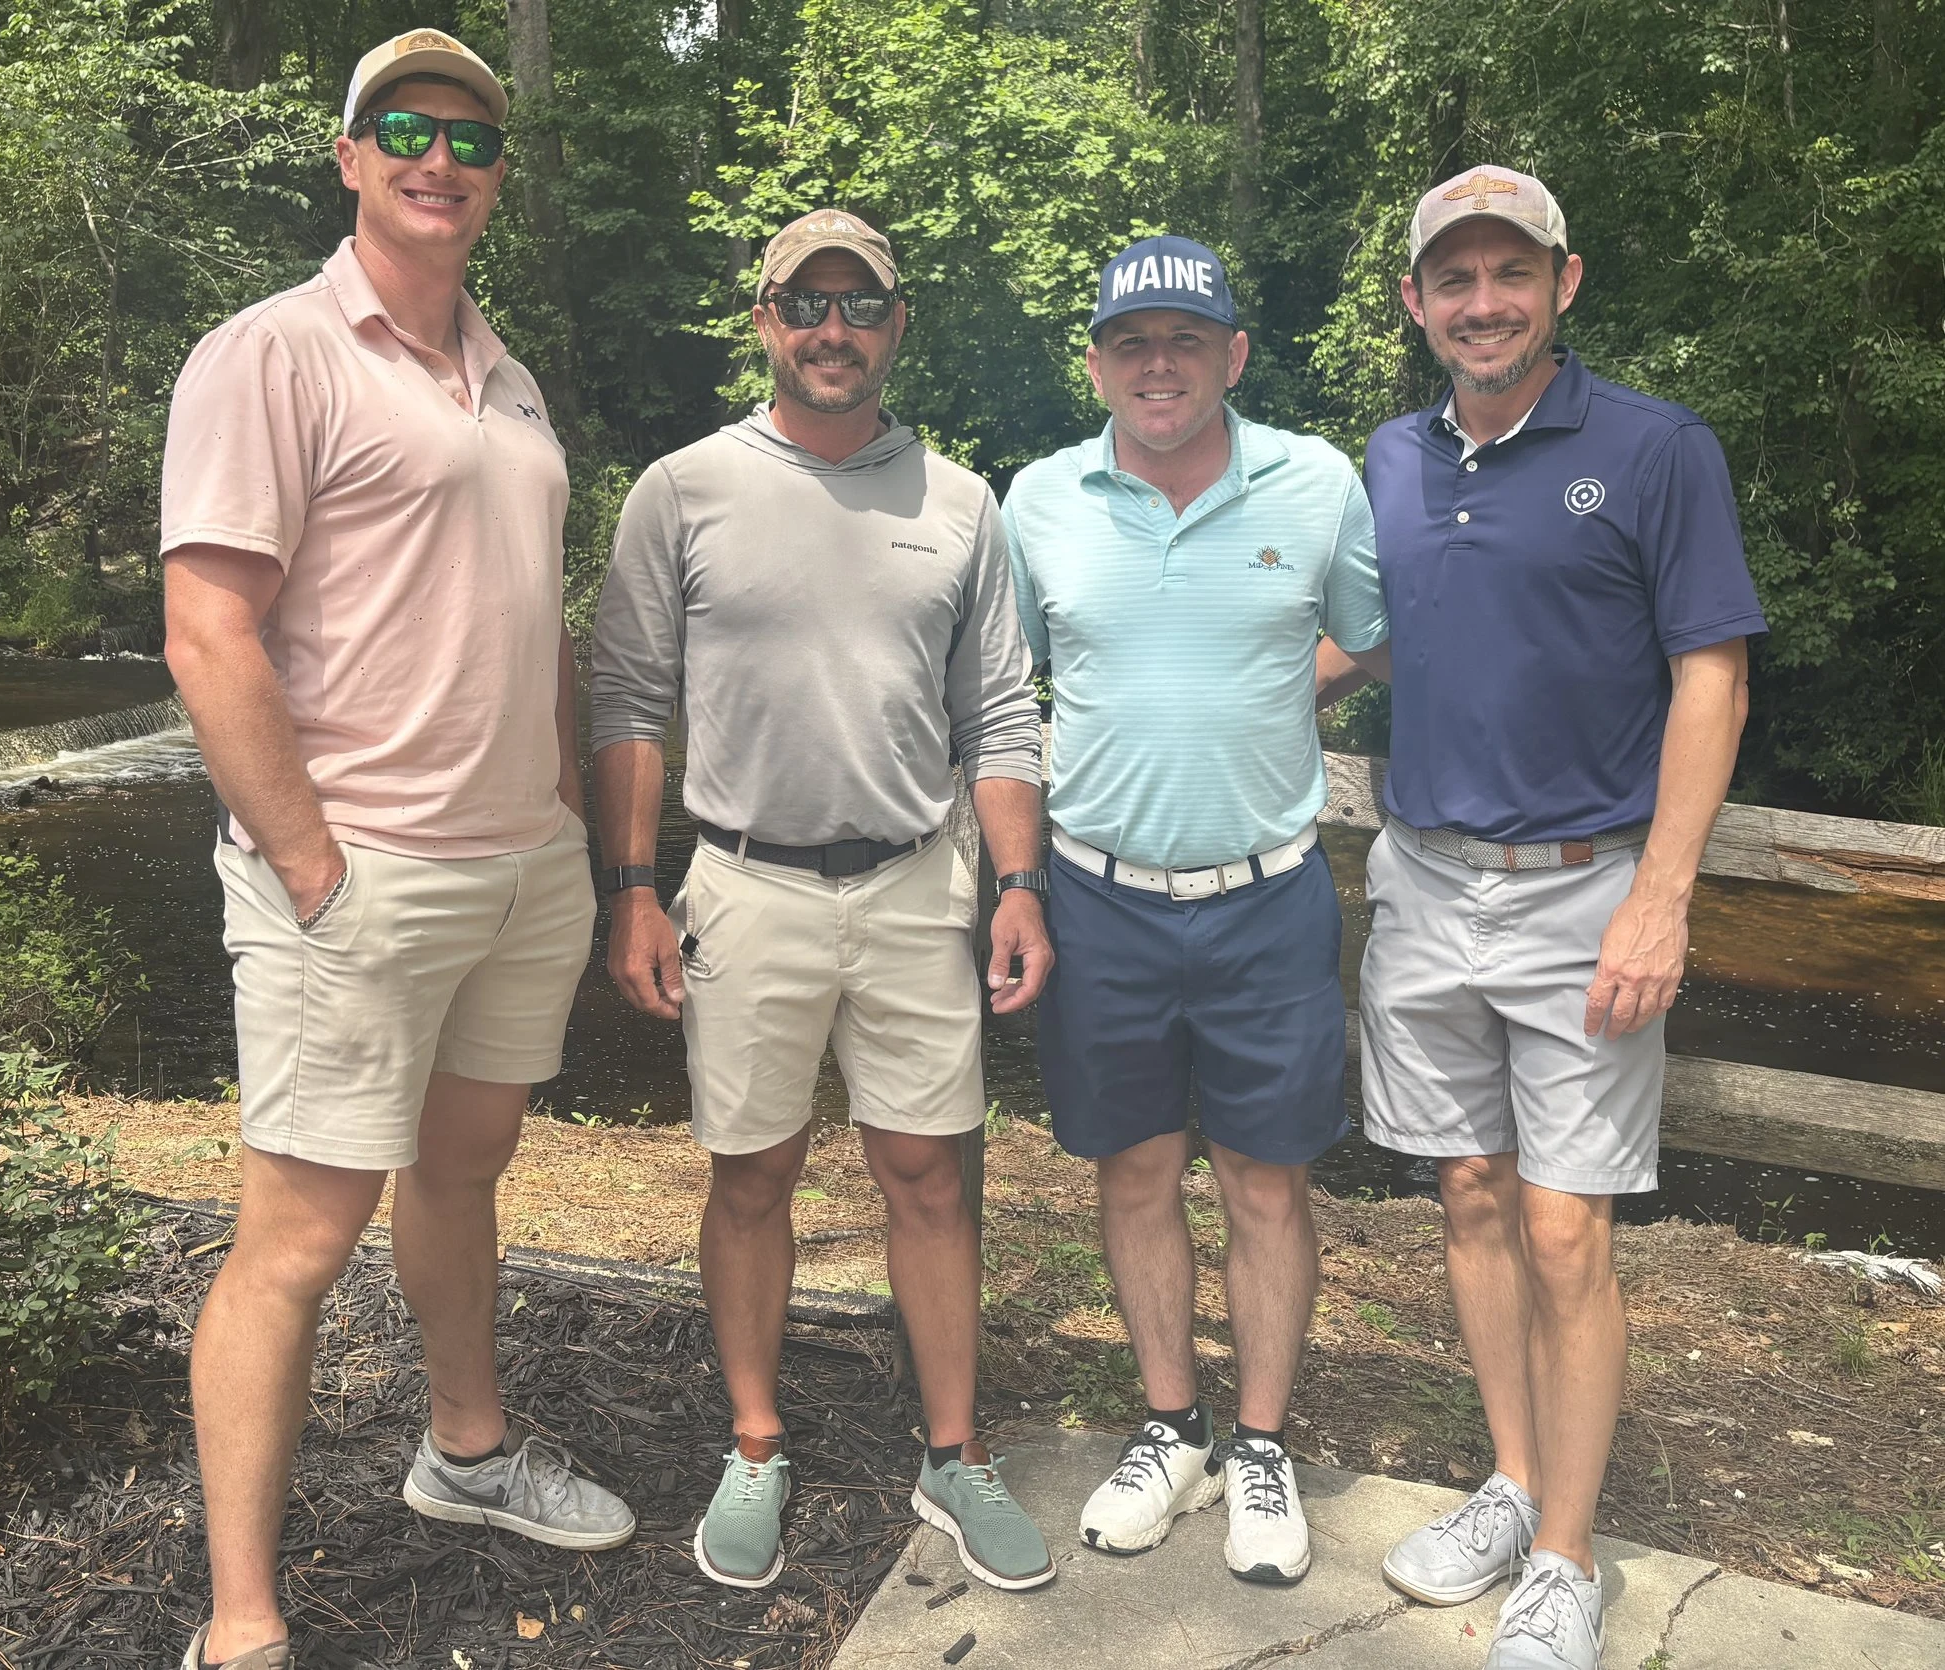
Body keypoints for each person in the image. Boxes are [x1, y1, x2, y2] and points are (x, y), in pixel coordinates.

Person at [157, 29, 634, 1670]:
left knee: (463, 1167)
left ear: (497, 179)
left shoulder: (506, 376)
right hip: (358, 869)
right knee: (295, 1235)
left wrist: (567, 802)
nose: (442, 157)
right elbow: (209, 627)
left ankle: (469, 1446)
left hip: (518, 867)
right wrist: (306, 864)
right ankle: (241, 1619)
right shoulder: (271, 353)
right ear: (350, 155)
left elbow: (530, 614)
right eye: (405, 129)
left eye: (473, 138)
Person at [591, 209, 1057, 1594]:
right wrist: (630, 886)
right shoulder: (681, 490)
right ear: (767, 321)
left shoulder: (962, 504)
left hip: (922, 885)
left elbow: (1003, 714)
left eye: (861, 305)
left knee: (927, 1171)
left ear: (898, 325)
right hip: (743, 882)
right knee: (753, 1172)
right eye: (807, 302)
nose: (833, 329)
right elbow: (624, 699)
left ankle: (955, 1452)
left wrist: (1017, 884)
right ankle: (753, 1440)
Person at [1331, 166, 1760, 1670]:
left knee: (1569, 1230)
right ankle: (1511, 1483)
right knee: (1467, 1192)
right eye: (1454, 279)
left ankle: (1568, 1560)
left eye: (1510, 272)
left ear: (1562, 284)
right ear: (1415, 303)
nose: (1483, 302)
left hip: (1589, 891)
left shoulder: (1654, 449)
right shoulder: (1388, 458)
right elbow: (1368, 638)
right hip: (1425, 880)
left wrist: (1663, 894)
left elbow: (1712, 670)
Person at [1004, 235, 1390, 1588]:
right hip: (1098, 896)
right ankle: (1172, 1421)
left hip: (1267, 896)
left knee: (1267, 1179)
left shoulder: (1320, 483)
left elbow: (1372, 630)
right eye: (1130, 343)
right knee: (1134, 1169)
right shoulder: (1041, 498)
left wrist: (1287, 690)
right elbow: (1014, 686)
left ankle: (1264, 1442)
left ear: (1232, 353)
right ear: (1098, 363)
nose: (1156, 364)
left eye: (1184, 339)